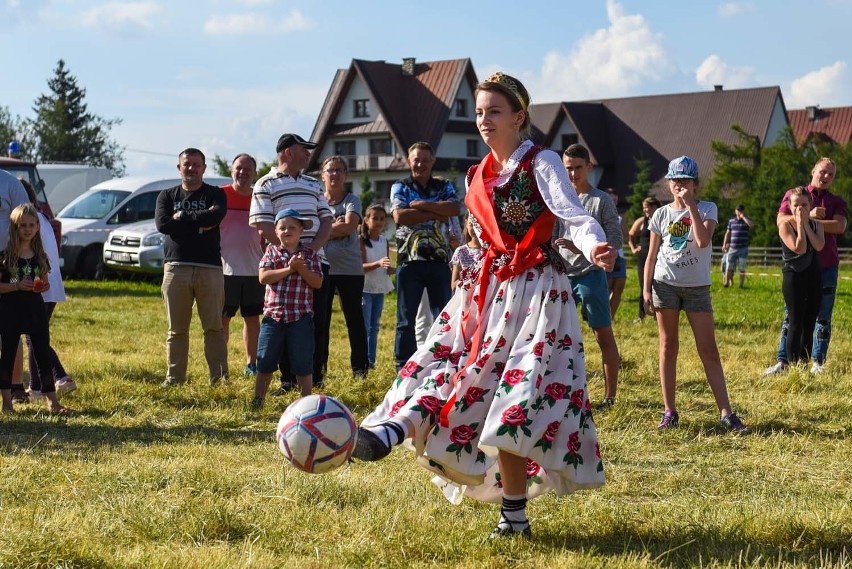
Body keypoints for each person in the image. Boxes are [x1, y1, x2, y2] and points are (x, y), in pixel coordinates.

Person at [351, 72, 614, 539]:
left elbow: (570, 213)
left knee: (513, 400)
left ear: (519, 116)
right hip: (487, 291)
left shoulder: (542, 161)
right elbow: (478, 239)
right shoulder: (475, 176)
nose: (484, 120)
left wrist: (594, 245)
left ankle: (513, 517)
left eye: (495, 111)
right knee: (446, 364)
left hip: (537, 294)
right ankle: (388, 432)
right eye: (478, 112)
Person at [642, 156, 747, 433]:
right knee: (668, 346)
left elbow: (702, 241)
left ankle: (726, 412)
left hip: (697, 287)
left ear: (695, 184)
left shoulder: (707, 208)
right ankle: (669, 410)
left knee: (708, 349)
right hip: (665, 284)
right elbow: (651, 256)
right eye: (675, 180)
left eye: (685, 181)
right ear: (668, 183)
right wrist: (645, 289)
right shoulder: (660, 214)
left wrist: (690, 206)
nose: (680, 185)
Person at [249, 134, 332, 389]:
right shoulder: (265, 183)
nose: (308, 155)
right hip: (279, 261)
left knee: (316, 322)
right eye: (303, 150)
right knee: (283, 321)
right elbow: (263, 224)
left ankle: (314, 377)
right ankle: (287, 380)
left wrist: (309, 251)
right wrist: (287, 252)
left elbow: (326, 219)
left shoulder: (313, 184)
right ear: (286, 153)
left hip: (314, 260)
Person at [764, 157, 847, 375]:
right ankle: (784, 361)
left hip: (825, 263)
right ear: (813, 171)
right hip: (798, 266)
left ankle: (817, 362)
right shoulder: (794, 194)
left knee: (822, 316)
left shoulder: (836, 201)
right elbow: (781, 221)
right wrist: (808, 216)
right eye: (823, 171)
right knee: (792, 316)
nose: (826, 176)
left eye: (831, 174)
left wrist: (811, 222)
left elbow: (840, 227)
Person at [554, 143, 621, 409]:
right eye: (567, 169)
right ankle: (564, 394)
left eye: (577, 168)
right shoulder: (557, 200)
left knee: (602, 334)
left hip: (590, 275)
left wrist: (587, 248)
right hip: (560, 275)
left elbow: (615, 236)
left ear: (589, 167)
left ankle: (610, 396)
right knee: (560, 339)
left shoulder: (600, 200)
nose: (572, 174)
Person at [154, 148, 229, 387]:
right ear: (179, 167)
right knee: (176, 331)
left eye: (196, 164)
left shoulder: (215, 194)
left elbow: (215, 216)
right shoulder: (166, 195)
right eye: (187, 164)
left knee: (214, 329)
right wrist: (199, 226)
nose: (191, 168)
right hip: (176, 268)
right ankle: (174, 378)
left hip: (210, 269)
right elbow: (163, 225)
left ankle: (219, 378)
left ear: (204, 168)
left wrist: (183, 218)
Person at [391, 142, 460, 370]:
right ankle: (404, 366)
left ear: (432, 161)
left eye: (424, 160)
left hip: (440, 261)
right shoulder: (399, 186)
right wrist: (435, 209)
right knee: (405, 319)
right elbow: (400, 216)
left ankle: (442, 363)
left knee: (444, 317)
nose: (420, 164)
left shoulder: (444, 184)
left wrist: (421, 205)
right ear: (409, 161)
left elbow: (454, 209)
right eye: (416, 160)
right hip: (409, 261)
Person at [0, 204, 71, 414]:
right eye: (22, 225)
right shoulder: (5, 257)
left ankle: (52, 401)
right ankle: (7, 403)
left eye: (31, 225)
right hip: (10, 309)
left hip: (34, 308)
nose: (27, 229)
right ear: (14, 227)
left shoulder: (40, 257)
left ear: (38, 227)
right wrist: (16, 286)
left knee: (41, 352)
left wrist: (43, 285)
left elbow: (44, 282)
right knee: (8, 354)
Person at [251, 209, 323, 407]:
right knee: (265, 359)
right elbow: (263, 277)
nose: (287, 230)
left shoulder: (309, 255)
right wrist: (290, 269)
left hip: (300, 317)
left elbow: (317, 283)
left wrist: (302, 269)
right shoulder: (272, 251)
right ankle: (258, 399)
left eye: (292, 227)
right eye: (282, 227)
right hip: (273, 317)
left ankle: (306, 402)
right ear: (276, 231)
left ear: (301, 231)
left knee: (302, 362)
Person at [19, 179, 75, 398]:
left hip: (39, 285)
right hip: (48, 286)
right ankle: (36, 387)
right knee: (34, 336)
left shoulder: (28, 222)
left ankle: (60, 376)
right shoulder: (39, 217)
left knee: (35, 336)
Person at [319, 156, 369, 378]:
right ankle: (318, 369)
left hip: (350, 269)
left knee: (354, 320)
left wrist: (323, 229)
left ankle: (360, 369)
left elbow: (349, 226)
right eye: (330, 170)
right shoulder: (317, 200)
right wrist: (334, 226)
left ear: (346, 175)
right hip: (321, 267)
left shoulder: (352, 200)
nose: (335, 174)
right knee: (320, 321)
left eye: (339, 170)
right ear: (323, 175)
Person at [219, 153, 264, 378]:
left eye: (248, 169)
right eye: (239, 168)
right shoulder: (221, 196)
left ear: (255, 173)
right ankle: (220, 365)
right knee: (222, 319)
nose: (243, 172)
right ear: (231, 170)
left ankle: (251, 364)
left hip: (254, 270)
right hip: (225, 271)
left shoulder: (261, 197)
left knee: (252, 318)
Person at [778, 188, 824, 367]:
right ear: (789, 206)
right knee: (795, 321)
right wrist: (799, 224)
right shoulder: (785, 225)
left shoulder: (817, 225)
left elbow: (819, 245)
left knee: (809, 321)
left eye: (804, 205)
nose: (800, 209)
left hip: (813, 275)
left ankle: (803, 364)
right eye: (796, 205)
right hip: (793, 276)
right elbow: (800, 248)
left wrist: (806, 224)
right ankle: (791, 363)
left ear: (810, 205)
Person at [360, 204, 394, 370]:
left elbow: (386, 266)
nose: (379, 222)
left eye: (382, 218)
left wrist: (394, 270)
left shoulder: (384, 241)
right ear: (366, 220)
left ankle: (371, 361)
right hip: (365, 288)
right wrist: (378, 263)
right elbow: (361, 266)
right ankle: (364, 360)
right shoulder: (361, 241)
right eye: (375, 218)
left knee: (374, 327)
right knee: (366, 327)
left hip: (379, 288)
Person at [628, 197, 661, 321]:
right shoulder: (642, 221)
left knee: (658, 285)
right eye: (644, 207)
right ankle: (641, 315)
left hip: (659, 257)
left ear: (655, 207)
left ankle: (658, 316)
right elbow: (631, 234)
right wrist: (633, 248)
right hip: (644, 257)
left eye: (648, 207)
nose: (645, 210)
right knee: (644, 285)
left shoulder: (663, 220)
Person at [605, 188, 628, 318]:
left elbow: (625, 236)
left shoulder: (619, 218)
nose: (614, 202)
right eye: (611, 199)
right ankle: (603, 318)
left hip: (619, 257)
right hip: (606, 256)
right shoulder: (599, 217)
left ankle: (611, 317)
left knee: (618, 288)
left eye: (615, 200)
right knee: (606, 289)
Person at [721, 204, 754, 288]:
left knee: (742, 268)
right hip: (732, 248)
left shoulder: (746, 220)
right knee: (729, 267)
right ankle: (726, 283)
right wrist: (724, 244)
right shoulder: (731, 221)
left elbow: (752, 225)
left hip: (743, 248)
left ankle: (741, 285)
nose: (739, 212)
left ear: (743, 211)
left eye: (741, 210)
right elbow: (727, 233)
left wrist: (743, 217)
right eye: (738, 210)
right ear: (735, 211)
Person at [450, 214, 483, 291]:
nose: (475, 229)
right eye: (472, 225)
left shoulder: (492, 251)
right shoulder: (460, 251)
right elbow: (454, 284)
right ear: (466, 223)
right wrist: (470, 283)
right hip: (465, 298)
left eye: (478, 225)